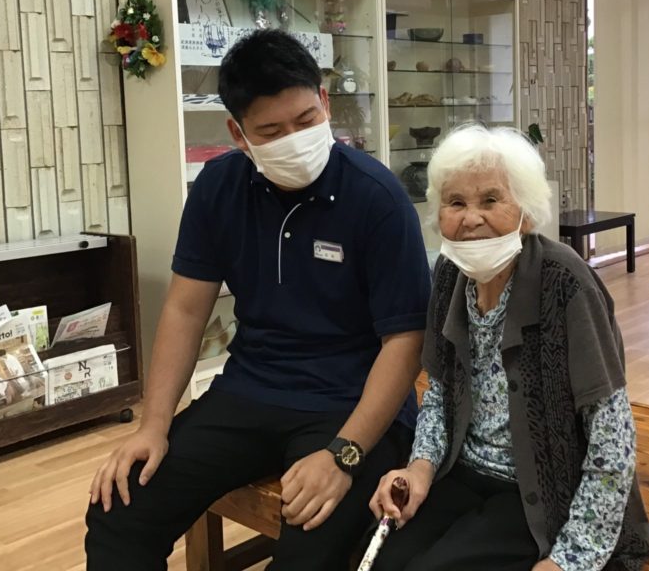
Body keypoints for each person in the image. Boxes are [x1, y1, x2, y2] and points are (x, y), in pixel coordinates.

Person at [85, 30, 431, 570]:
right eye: (271, 131)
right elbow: (185, 309)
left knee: (307, 551)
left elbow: (405, 342)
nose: (294, 139)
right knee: (119, 508)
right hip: (250, 390)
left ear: (325, 102)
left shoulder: (377, 198)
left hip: (353, 403)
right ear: (238, 133)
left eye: (306, 120)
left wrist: (344, 454)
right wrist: (153, 425)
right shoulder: (218, 188)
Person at [369, 125, 649, 571]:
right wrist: (418, 469)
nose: (471, 219)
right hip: (463, 471)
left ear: (525, 211)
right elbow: (440, 392)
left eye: (490, 200)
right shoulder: (449, 274)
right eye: (456, 203)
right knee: (382, 557)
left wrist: (570, 560)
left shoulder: (566, 284)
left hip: (542, 490)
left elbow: (611, 435)